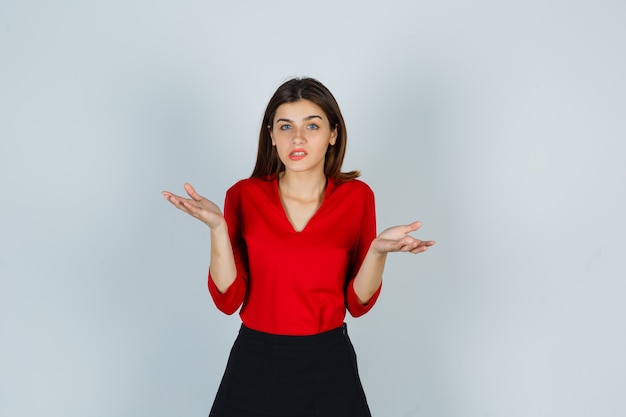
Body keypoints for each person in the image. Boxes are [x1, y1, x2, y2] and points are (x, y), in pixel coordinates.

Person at [161, 77, 435, 417]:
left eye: (313, 125)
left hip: (329, 361)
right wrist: (218, 229)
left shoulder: (357, 198)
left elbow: (356, 302)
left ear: (333, 134)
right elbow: (229, 299)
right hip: (256, 359)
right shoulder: (243, 196)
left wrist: (377, 251)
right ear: (271, 135)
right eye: (286, 126)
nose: (298, 137)